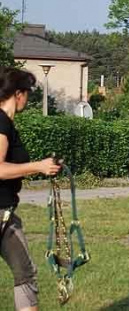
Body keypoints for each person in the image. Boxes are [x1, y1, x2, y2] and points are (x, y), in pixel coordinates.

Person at [0, 67, 61, 311]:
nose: (28, 98)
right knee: (26, 275)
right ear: (18, 94)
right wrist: (38, 166)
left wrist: (47, 167)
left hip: (6, 214)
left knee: (25, 273)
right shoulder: (1, 122)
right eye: (28, 93)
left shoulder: (7, 124)